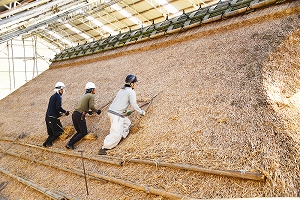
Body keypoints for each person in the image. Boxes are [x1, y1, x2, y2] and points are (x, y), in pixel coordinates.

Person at [98, 74, 145, 155]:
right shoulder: (131, 92)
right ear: (131, 84)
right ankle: (104, 148)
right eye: (135, 83)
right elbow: (134, 104)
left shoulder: (122, 90)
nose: (136, 84)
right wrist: (141, 112)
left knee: (127, 122)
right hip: (117, 114)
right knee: (115, 133)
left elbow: (119, 102)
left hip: (113, 112)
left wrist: (126, 111)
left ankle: (121, 136)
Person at [66, 82, 101, 150]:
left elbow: (82, 106)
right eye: (94, 89)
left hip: (75, 114)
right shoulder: (91, 96)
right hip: (80, 115)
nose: (95, 90)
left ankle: (69, 143)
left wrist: (88, 112)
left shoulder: (84, 95)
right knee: (83, 132)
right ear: (91, 90)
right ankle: (71, 143)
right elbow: (91, 106)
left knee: (79, 132)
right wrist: (96, 111)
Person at [43, 82, 69, 147]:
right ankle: (49, 143)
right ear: (60, 90)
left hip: (48, 117)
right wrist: (65, 112)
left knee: (51, 133)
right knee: (59, 131)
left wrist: (59, 113)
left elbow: (53, 108)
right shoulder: (58, 97)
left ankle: (45, 143)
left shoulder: (53, 96)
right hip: (52, 118)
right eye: (62, 89)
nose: (63, 91)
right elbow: (58, 107)